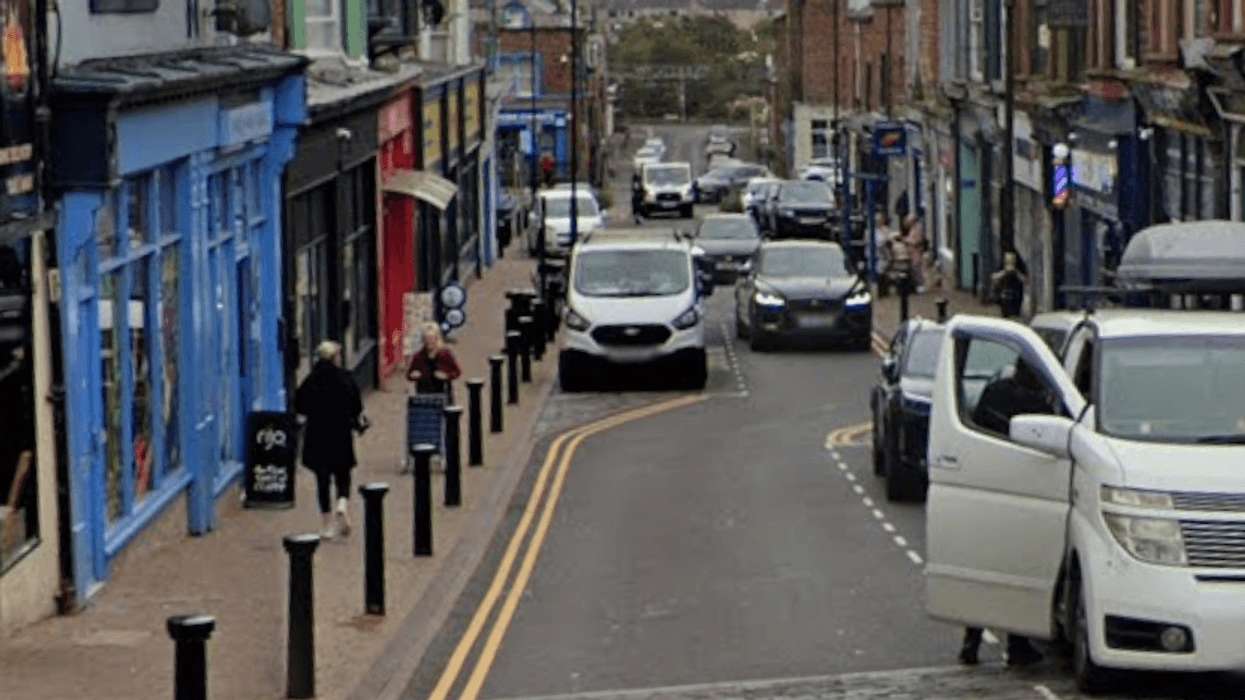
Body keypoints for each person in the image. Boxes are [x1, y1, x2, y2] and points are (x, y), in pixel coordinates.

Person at [960, 358, 1051, 666]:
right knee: (1016, 573)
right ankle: (1016, 644)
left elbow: (976, 430)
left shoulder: (995, 392)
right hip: (1021, 495)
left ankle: (974, 640)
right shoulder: (1038, 405)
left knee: (989, 571)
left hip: (990, 486)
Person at [294, 340, 364, 539]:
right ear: (335, 358)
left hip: (317, 435)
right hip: (341, 433)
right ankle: (342, 502)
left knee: (322, 480)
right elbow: (357, 406)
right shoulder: (345, 378)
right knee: (343, 474)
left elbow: (299, 405)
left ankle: (326, 524)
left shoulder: (311, 380)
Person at [406, 322, 463, 397]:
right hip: (423, 394)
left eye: (431, 339)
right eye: (426, 339)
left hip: (443, 393)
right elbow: (409, 374)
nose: (429, 342)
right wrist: (413, 375)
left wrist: (446, 376)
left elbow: (457, 372)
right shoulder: (419, 356)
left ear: (437, 338)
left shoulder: (445, 354)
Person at [991, 250, 1029, 319]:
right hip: (1004, 296)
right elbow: (994, 277)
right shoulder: (1000, 263)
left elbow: (1025, 279)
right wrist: (1004, 272)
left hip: (1015, 296)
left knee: (1014, 315)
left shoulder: (1019, 267)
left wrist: (1016, 272)